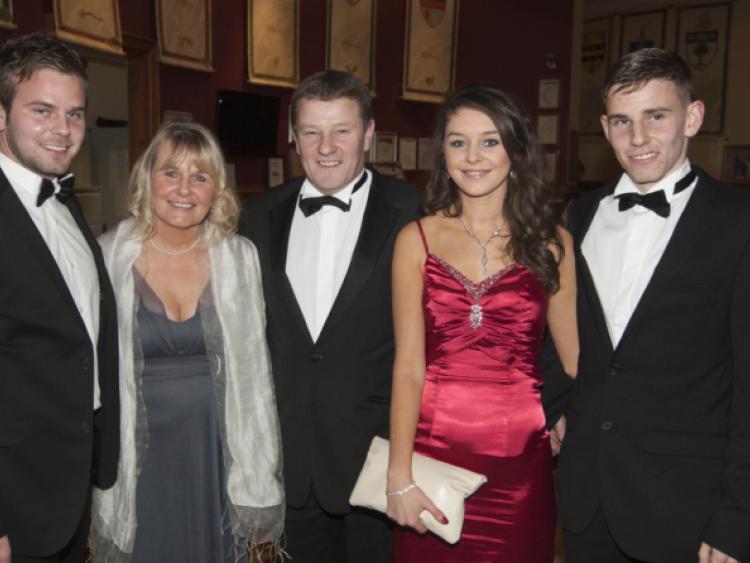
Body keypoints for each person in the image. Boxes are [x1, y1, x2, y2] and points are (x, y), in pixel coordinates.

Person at [546, 48, 750, 563]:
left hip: (687, 505)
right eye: (622, 121)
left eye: (656, 116)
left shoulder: (738, 223)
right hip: (587, 492)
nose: (637, 138)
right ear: (604, 126)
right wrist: (557, 405)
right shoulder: (581, 214)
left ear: (693, 117)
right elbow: (566, 333)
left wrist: (738, 518)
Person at [386, 84, 577, 562]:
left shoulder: (553, 244)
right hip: (430, 464)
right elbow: (409, 366)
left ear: (516, 149)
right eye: (457, 142)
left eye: (490, 141)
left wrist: (571, 414)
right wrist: (398, 473)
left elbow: (577, 362)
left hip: (521, 475)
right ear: (442, 152)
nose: (473, 156)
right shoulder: (416, 240)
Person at [239, 70, 421, 563]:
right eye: (312, 132)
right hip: (291, 459)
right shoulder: (257, 215)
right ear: (294, 138)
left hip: (379, 458)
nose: (326, 147)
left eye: (342, 130)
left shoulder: (414, 213)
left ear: (368, 134)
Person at [89, 121, 284, 562]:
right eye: (171, 173)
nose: (184, 188)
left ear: (217, 188)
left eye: (200, 176)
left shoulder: (240, 258)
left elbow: (255, 374)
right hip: (138, 458)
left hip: (219, 453)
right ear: (147, 178)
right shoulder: (107, 257)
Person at [0, 33, 119, 563]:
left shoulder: (64, 202)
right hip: (14, 497)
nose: (62, 130)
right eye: (42, 110)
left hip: (68, 489)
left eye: (74, 114)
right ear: (1, 114)